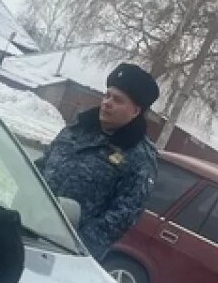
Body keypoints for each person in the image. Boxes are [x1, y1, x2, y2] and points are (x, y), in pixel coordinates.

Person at [38, 63, 161, 259]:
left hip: (66, 251)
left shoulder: (140, 158)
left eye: (117, 100)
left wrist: (75, 246)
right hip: (29, 224)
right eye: (107, 95)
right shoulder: (77, 129)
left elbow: (122, 216)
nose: (107, 103)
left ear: (136, 111)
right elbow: (42, 166)